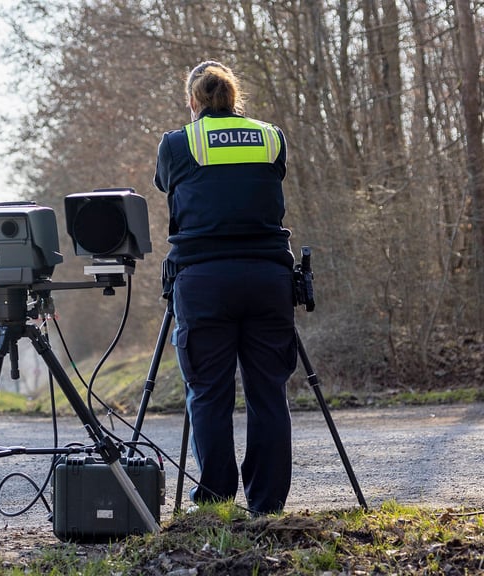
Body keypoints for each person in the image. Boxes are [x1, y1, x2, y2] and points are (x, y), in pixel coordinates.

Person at [152, 60, 297, 515]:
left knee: (209, 393)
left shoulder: (178, 143)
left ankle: (215, 499)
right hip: (268, 279)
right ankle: (267, 503)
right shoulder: (272, 137)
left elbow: (164, 184)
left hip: (203, 281)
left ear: (193, 101)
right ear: (236, 99)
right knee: (268, 391)